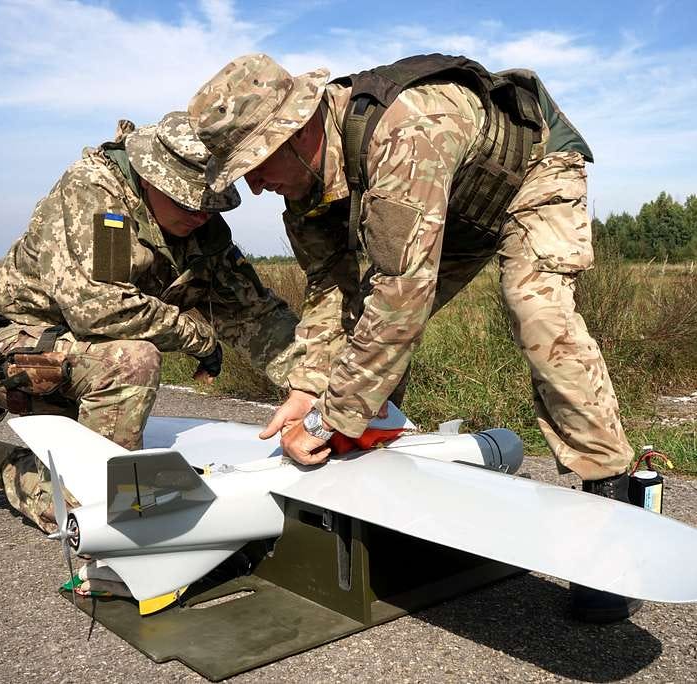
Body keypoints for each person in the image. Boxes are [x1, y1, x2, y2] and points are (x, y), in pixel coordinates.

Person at [188, 54, 642, 622]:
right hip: (457, 205)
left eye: (257, 162)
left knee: (539, 316)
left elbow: (402, 297)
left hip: (533, 175)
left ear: (298, 129)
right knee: (362, 331)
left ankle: (613, 506)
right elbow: (332, 291)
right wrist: (308, 389)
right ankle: (373, 471)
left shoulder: (404, 132)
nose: (255, 185)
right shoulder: (304, 194)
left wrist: (334, 416)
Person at [0, 112, 298, 534]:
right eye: (188, 200)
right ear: (150, 177)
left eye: (210, 203)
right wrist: (199, 338)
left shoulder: (199, 229)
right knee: (92, 503)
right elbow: (100, 308)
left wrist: (320, 388)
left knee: (126, 448)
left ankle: (89, 481)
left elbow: (257, 314)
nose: (201, 214)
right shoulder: (96, 193)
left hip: (74, 361)